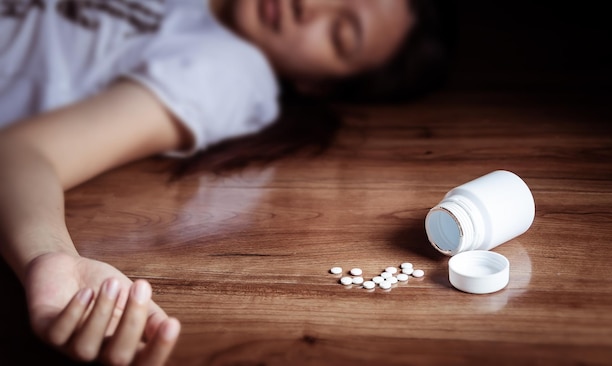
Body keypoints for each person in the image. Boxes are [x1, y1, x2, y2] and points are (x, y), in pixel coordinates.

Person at [0, 0, 454, 365]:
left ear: (318, 85)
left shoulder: (230, 69)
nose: (309, 6)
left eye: (341, 33)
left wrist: (49, 254)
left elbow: (19, 151)